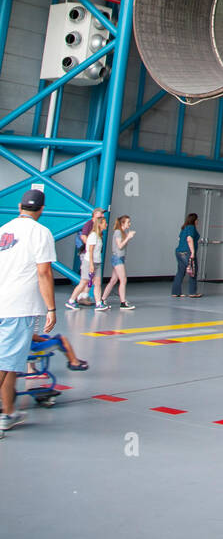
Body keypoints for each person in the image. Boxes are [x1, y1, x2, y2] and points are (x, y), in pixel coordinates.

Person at [0, 187, 57, 436]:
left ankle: (9, 412)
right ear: (42, 210)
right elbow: (44, 272)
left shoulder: (4, 230)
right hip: (18, 306)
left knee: (11, 362)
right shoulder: (41, 232)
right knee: (4, 363)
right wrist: (51, 309)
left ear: (19, 207)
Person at [67, 214, 108, 311]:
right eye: (105, 223)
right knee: (83, 282)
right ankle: (71, 301)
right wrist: (91, 265)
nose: (106, 224)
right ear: (100, 224)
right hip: (90, 262)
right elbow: (90, 251)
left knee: (97, 283)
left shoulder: (99, 236)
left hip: (97, 262)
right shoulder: (93, 236)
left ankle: (99, 303)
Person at [102, 215, 136, 309]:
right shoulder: (117, 232)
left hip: (120, 258)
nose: (129, 224)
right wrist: (128, 237)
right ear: (122, 223)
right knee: (123, 279)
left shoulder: (122, 232)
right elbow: (120, 246)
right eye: (128, 222)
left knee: (113, 280)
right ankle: (123, 302)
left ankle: (103, 298)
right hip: (117, 258)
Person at [172, 213, 201, 297]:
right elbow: (189, 239)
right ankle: (192, 292)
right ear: (194, 220)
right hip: (187, 252)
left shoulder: (184, 228)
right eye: (197, 219)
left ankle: (175, 292)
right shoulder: (191, 227)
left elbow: (179, 238)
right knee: (193, 271)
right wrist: (192, 252)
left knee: (180, 272)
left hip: (178, 252)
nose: (197, 221)